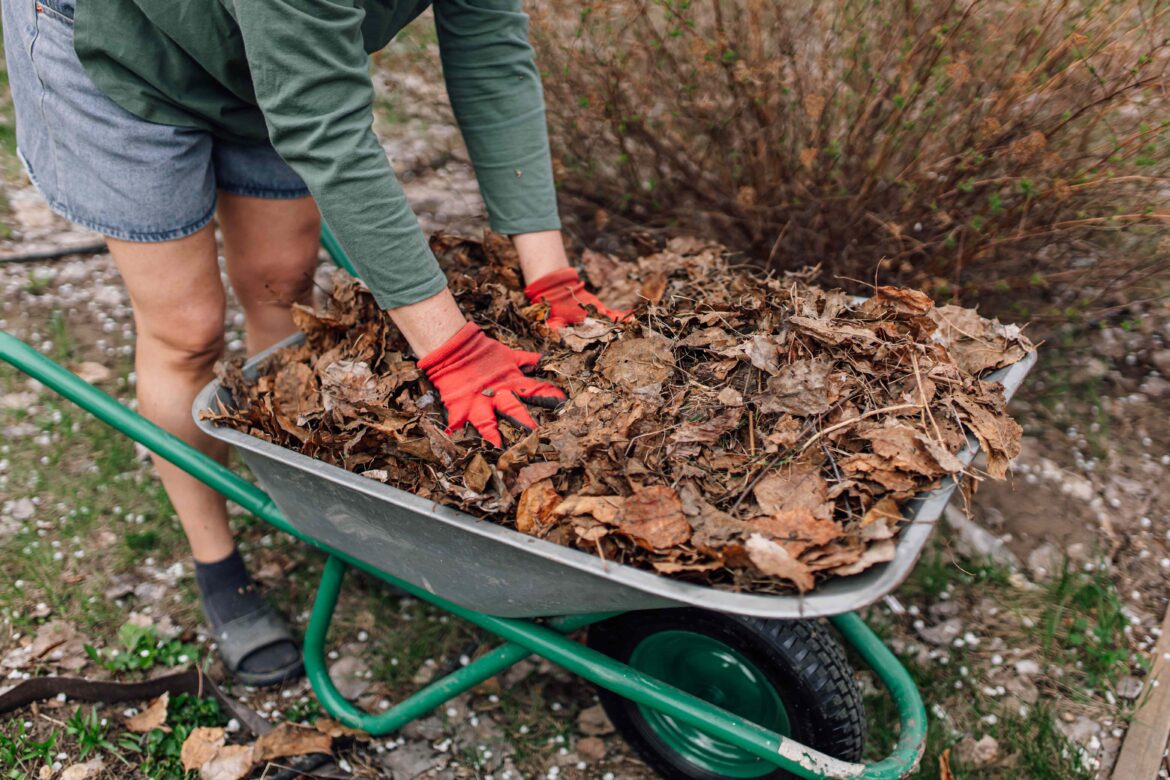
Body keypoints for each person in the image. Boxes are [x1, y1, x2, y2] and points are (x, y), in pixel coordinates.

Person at [3, 0, 627, 686]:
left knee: (282, 282)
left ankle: (298, 502)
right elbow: (324, 130)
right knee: (187, 331)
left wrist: (550, 272)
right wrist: (452, 352)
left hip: (257, 45)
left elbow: (489, 50)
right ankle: (218, 564)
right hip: (116, 42)